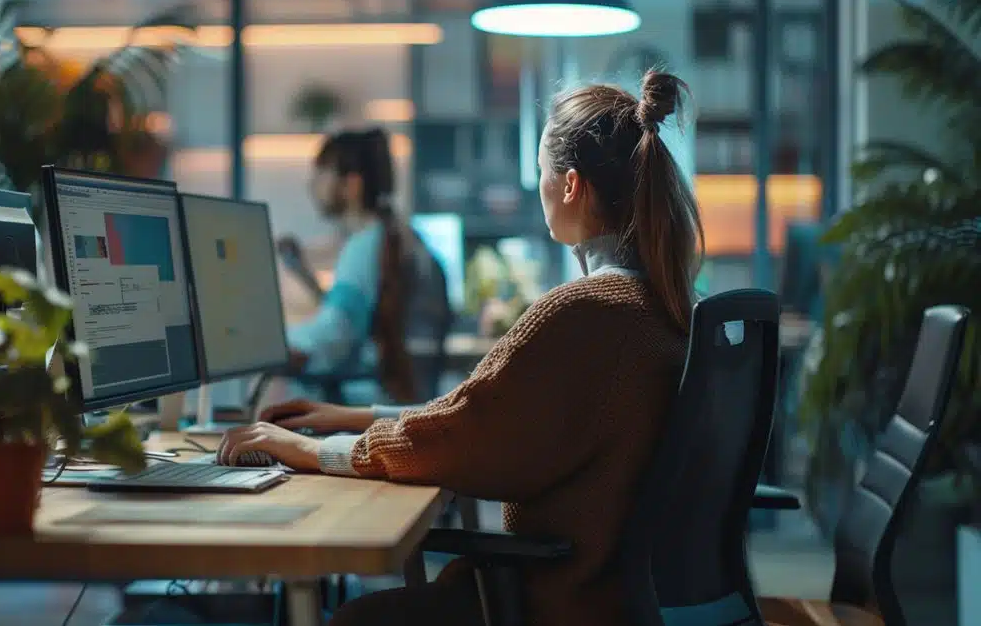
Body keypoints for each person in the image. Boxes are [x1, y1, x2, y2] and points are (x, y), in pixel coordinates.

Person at [220, 71, 705, 626]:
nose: (538, 187)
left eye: (541, 174)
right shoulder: (655, 305)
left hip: (549, 600)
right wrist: (352, 417)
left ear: (570, 186)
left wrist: (307, 450)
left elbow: (463, 437)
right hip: (600, 592)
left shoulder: (588, 313)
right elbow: (491, 419)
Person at [284, 128, 448, 407]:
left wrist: (273, 341)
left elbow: (333, 338)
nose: (313, 184)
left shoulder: (364, 247)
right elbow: (357, 320)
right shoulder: (399, 238)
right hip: (400, 404)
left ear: (352, 184)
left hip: (364, 409)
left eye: (322, 173)